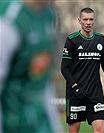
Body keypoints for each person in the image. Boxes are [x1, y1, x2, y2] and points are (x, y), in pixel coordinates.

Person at [0, 0, 63, 133]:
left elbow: (42, 82)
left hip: (40, 126)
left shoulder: (48, 16)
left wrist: (55, 127)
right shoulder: (7, 20)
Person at [61, 7, 104, 133]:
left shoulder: (100, 39)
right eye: (85, 19)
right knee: (73, 130)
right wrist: (75, 87)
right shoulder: (72, 40)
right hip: (76, 93)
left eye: (91, 19)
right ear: (79, 21)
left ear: (94, 21)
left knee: (101, 129)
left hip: (95, 93)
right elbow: (64, 68)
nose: (88, 22)